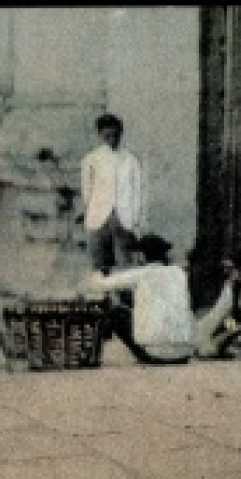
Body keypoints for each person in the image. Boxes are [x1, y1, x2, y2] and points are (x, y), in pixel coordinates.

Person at [84, 234, 193, 365]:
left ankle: (91, 356)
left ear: (142, 256)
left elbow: (99, 285)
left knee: (116, 313)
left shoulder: (143, 274)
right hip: (184, 354)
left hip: (155, 354)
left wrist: (98, 270)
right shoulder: (179, 273)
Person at [80, 113, 146, 274]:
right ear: (100, 135)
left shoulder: (131, 160)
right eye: (107, 135)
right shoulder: (92, 159)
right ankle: (105, 297)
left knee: (124, 261)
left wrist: (136, 220)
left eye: (115, 135)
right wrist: (90, 211)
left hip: (123, 217)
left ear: (120, 134)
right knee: (99, 261)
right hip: (98, 216)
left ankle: (124, 298)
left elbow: (137, 191)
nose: (111, 139)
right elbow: (86, 189)